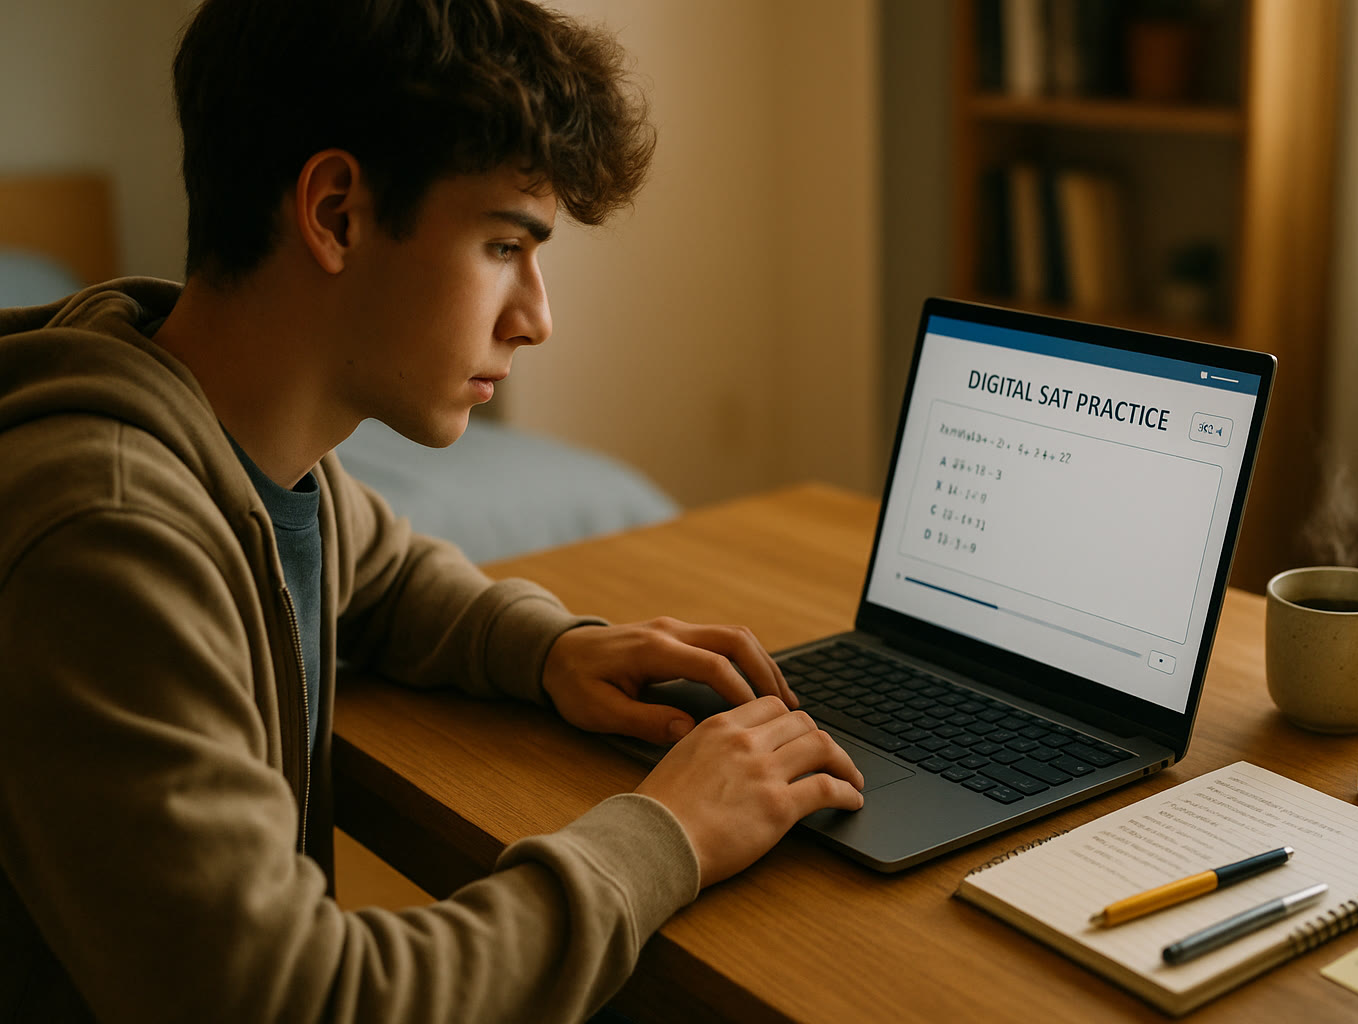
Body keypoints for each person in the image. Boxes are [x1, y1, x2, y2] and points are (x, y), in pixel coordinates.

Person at [0, 1, 865, 1020]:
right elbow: (300, 998)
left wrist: (554, 649)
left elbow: (389, 570)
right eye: (505, 245)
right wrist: (664, 832)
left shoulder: (239, 445)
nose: (537, 317)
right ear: (335, 213)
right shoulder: (109, 536)